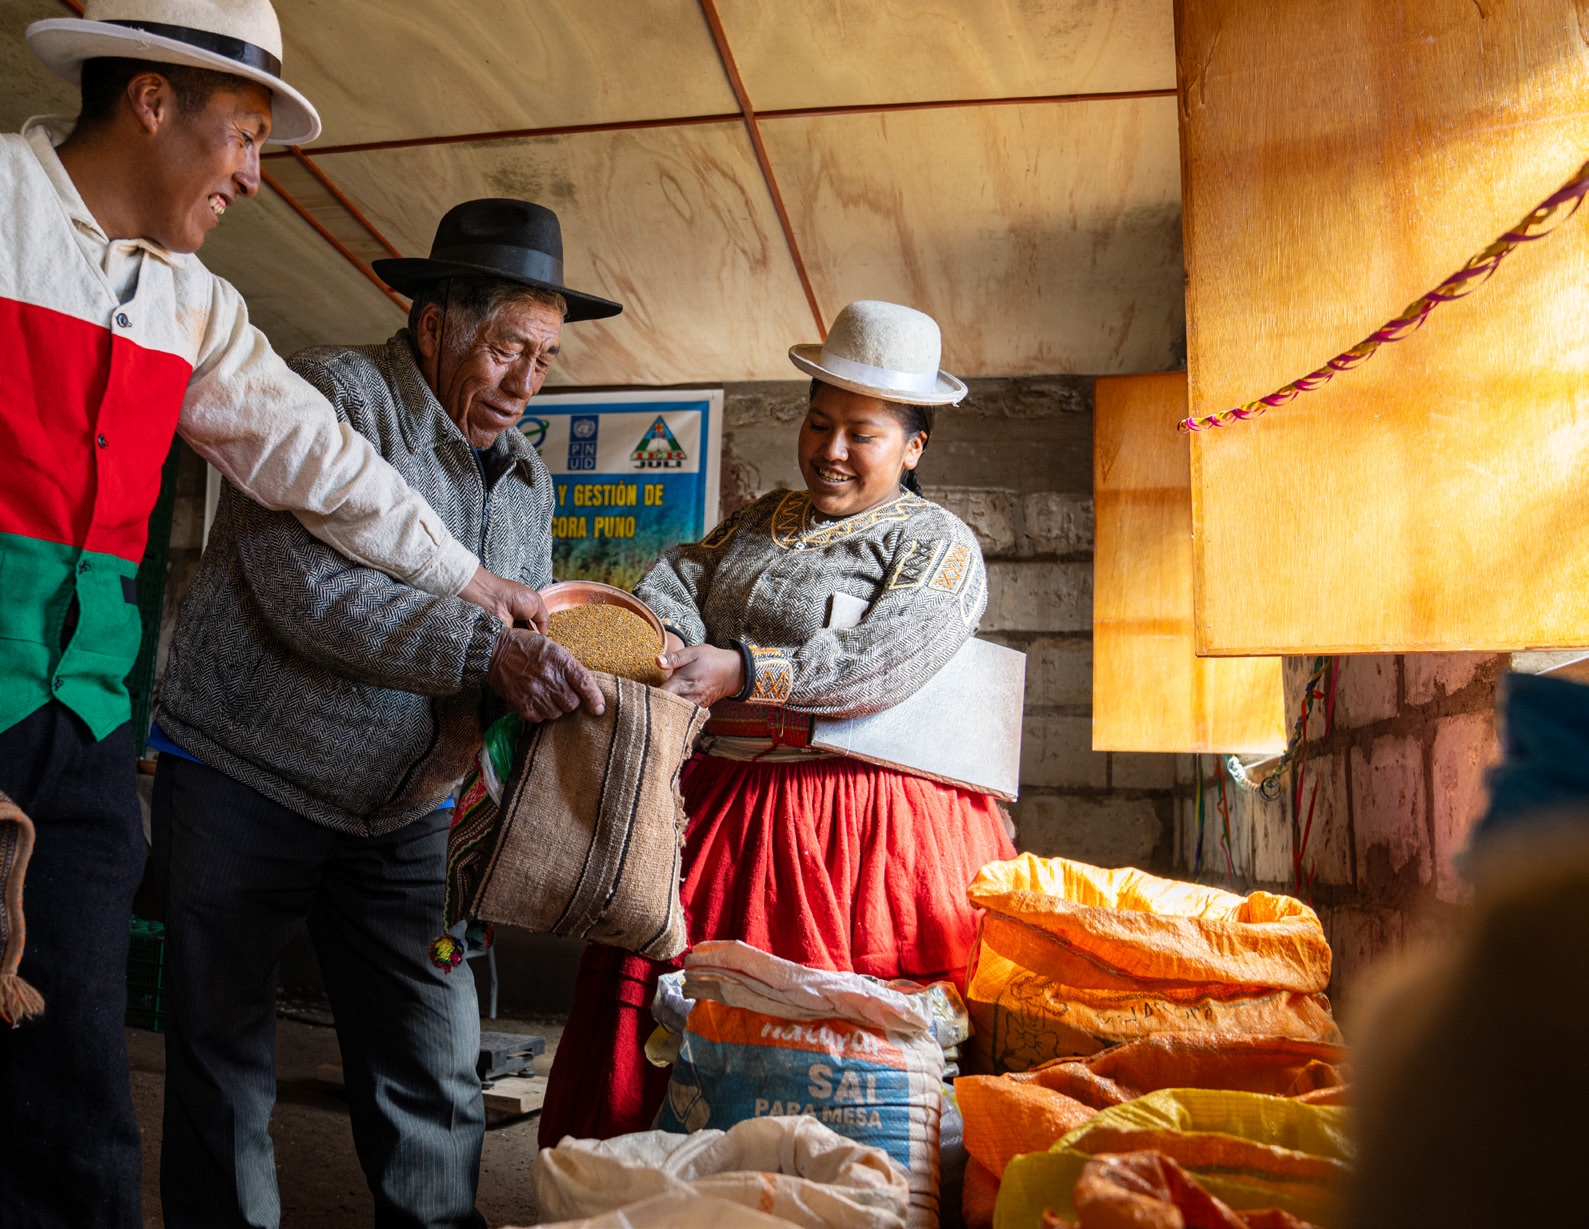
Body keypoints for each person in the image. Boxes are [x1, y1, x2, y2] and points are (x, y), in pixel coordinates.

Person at [0, 6, 544, 1225]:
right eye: (243, 135)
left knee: (75, 1071)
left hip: (82, 724)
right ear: (151, 101)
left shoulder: (194, 304)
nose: (252, 172)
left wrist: (477, 583)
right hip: (147, 751)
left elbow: (322, 465)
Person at [148, 197, 620, 1229]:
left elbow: (518, 632)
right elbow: (303, 591)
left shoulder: (527, 477)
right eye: (505, 347)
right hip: (247, 782)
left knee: (431, 1053)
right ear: (433, 323)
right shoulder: (335, 393)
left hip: (402, 816)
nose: (523, 381)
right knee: (225, 1056)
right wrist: (483, 649)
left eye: (544, 358)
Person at [538, 299, 1019, 1144]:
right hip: (725, 800)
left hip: (864, 825)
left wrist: (747, 669)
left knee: (839, 1046)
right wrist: (676, 642)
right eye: (818, 422)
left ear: (913, 446)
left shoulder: (935, 544)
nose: (830, 450)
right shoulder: (758, 519)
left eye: (861, 433)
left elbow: (891, 654)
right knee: (674, 1015)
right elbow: (678, 577)